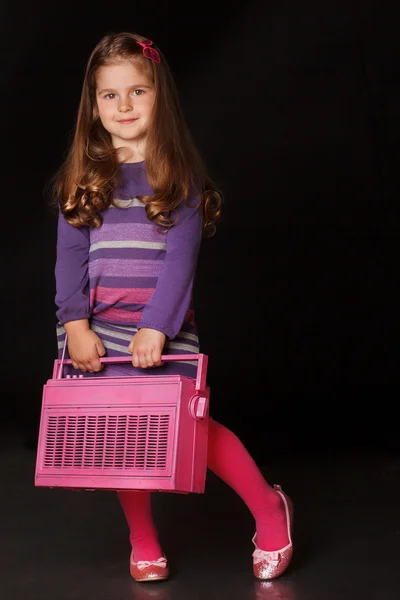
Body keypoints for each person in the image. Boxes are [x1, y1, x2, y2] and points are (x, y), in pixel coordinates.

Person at [51, 31, 293, 583]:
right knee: (121, 437)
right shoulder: (84, 181)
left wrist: (157, 327)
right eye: (109, 95)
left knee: (190, 429)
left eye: (137, 91)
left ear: (161, 97)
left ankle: (269, 507)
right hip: (98, 333)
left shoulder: (176, 179)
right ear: (93, 105)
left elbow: (181, 264)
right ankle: (143, 538)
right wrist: (74, 324)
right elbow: (68, 261)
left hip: (161, 331)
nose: (125, 106)